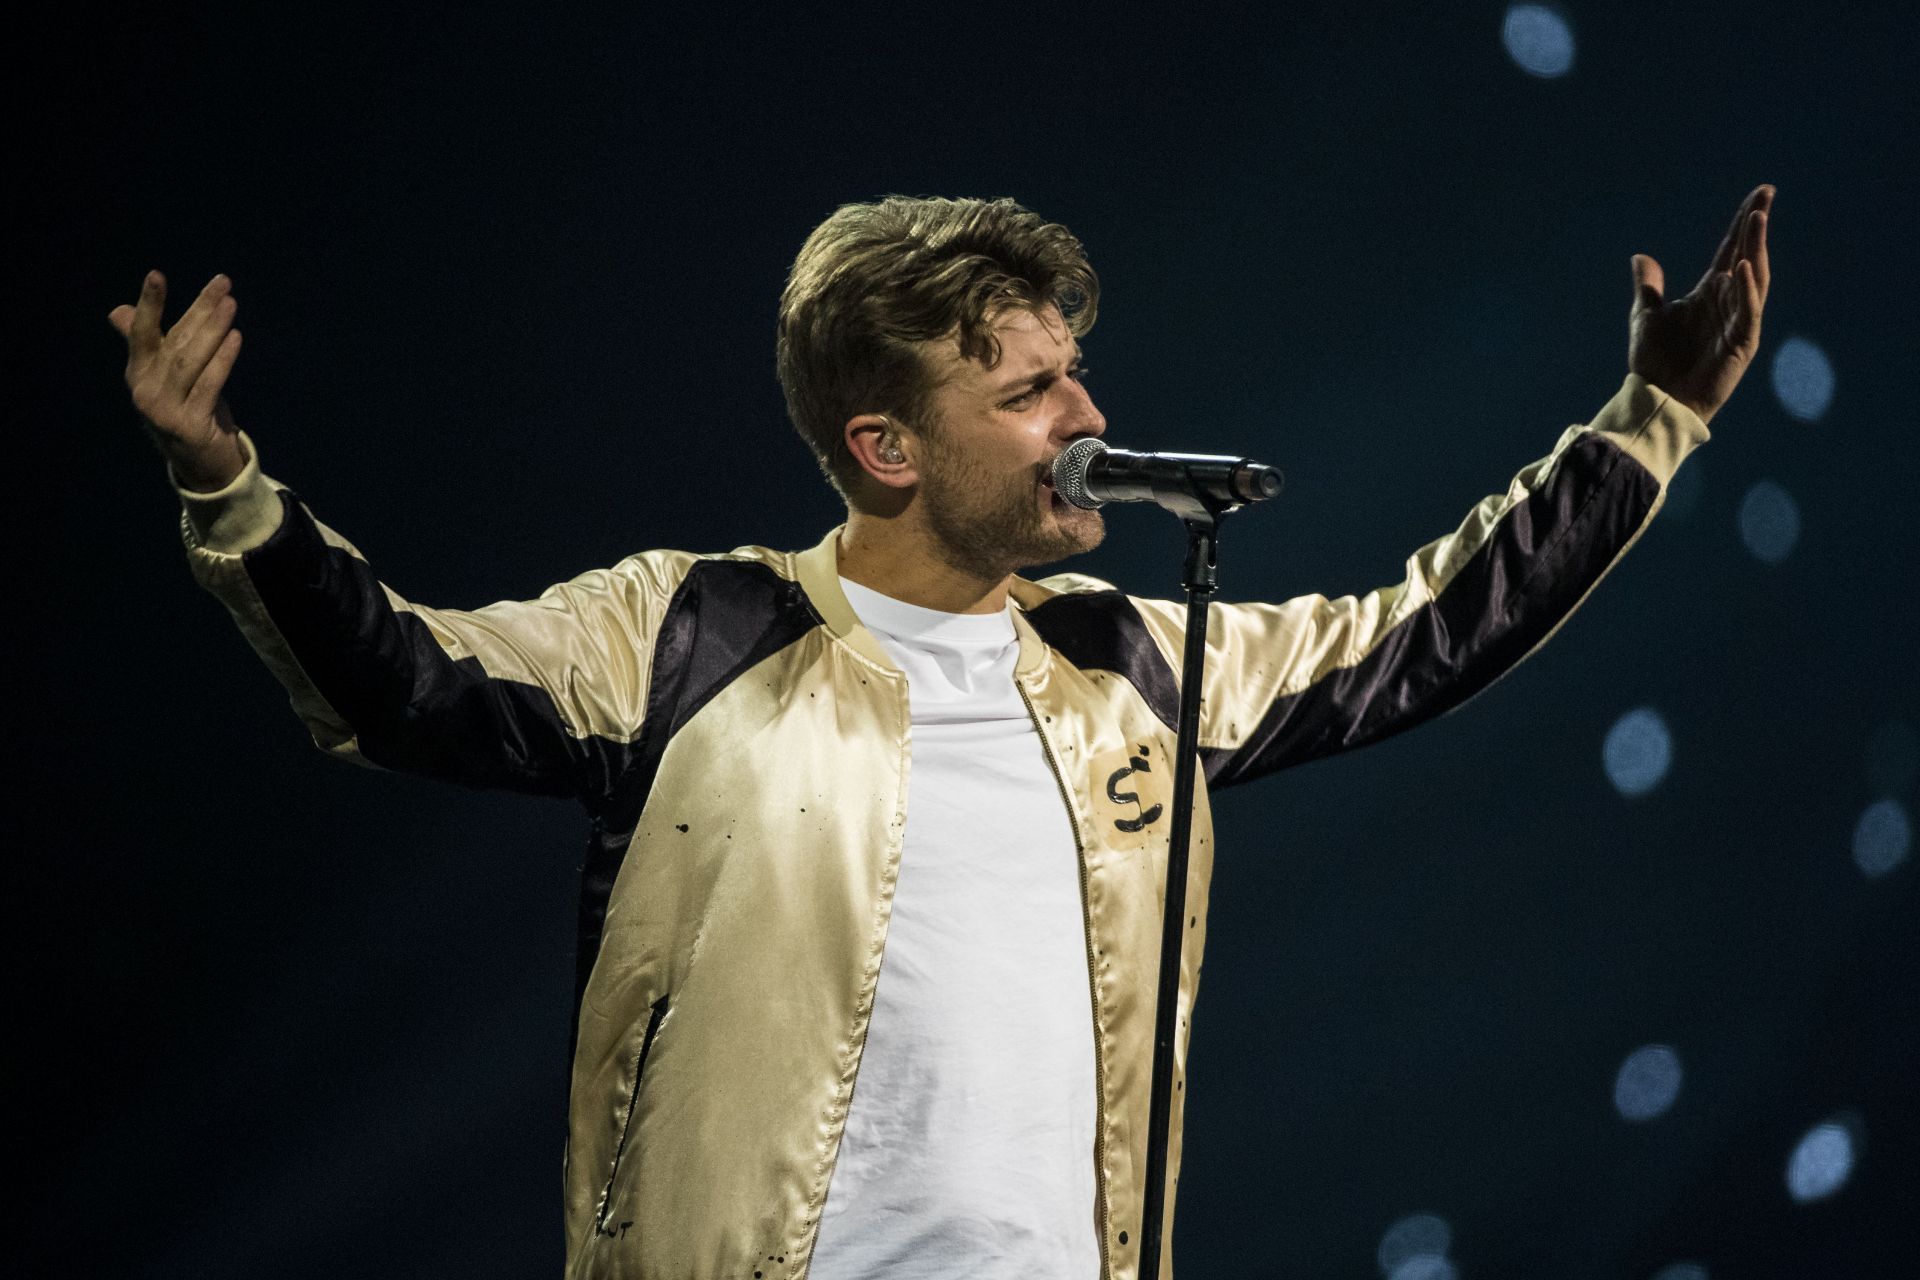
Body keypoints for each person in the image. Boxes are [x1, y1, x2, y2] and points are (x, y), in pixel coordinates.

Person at [109, 186, 1773, 1280]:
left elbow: (1425, 634)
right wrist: (229, 492)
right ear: (888, 447)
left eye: (1080, 371)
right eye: (1032, 392)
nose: (1092, 421)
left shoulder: (1128, 659)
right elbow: (400, 680)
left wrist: (1658, 418)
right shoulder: (690, 634)